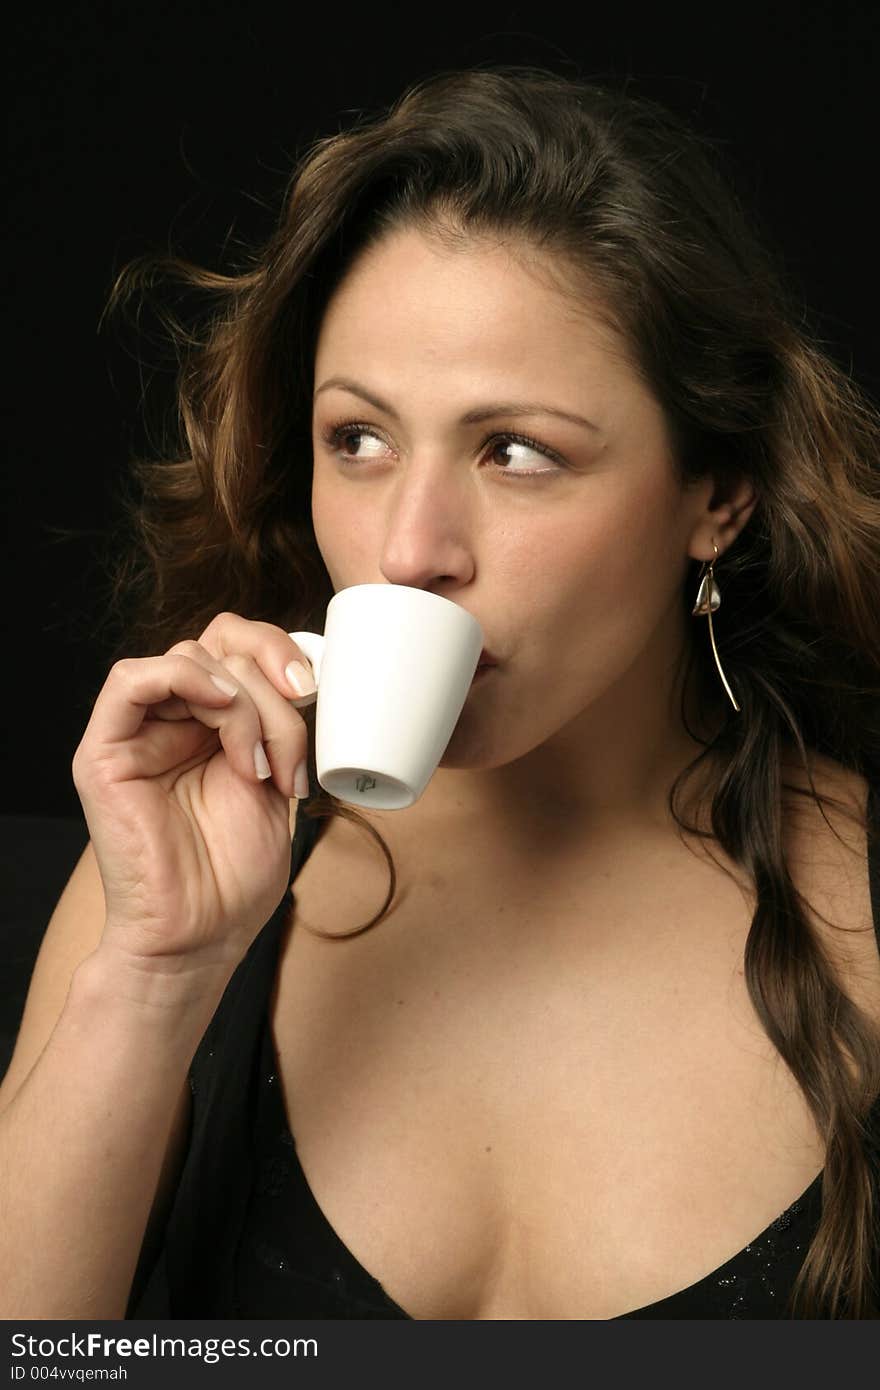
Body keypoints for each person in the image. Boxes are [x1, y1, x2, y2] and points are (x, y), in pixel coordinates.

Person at [1, 63, 878, 1322]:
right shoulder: (177, 890)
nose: (409, 548)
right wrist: (152, 976)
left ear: (716, 496)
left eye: (516, 452)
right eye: (357, 439)